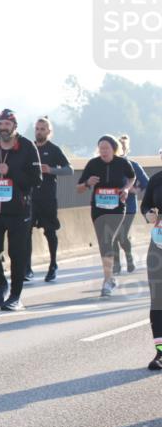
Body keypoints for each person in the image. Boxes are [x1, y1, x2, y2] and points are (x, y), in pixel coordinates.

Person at [0, 109, 42, 311]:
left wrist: (11, 172)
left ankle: (15, 296)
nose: (3, 128)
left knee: (17, 255)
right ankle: (0, 283)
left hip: (18, 210)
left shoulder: (27, 147)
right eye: (0, 124)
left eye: (7, 124)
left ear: (15, 126)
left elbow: (36, 179)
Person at [76, 135, 136, 297]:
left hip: (117, 208)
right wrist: (88, 183)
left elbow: (132, 177)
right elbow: (79, 188)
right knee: (103, 243)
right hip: (98, 209)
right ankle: (110, 278)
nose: (103, 151)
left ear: (113, 149)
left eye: (106, 148)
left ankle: (107, 280)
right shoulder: (93, 164)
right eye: (101, 148)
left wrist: (125, 189)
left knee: (107, 239)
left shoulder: (122, 163)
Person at [28, 116, 73, 282]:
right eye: (37, 129)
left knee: (50, 232)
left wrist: (51, 170)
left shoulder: (54, 149)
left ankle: (53, 264)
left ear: (49, 132)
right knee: (26, 232)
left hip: (47, 197)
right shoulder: (29, 148)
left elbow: (69, 170)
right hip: (30, 198)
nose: (39, 132)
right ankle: (27, 268)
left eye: (43, 129)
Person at [112, 134, 150, 274]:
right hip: (110, 207)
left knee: (121, 236)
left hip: (129, 207)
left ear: (125, 150)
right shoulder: (107, 166)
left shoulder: (133, 165)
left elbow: (147, 183)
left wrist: (134, 189)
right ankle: (116, 264)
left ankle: (128, 258)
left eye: (120, 148)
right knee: (112, 236)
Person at [141, 169, 162, 370]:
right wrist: (148, 214)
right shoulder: (157, 179)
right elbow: (145, 205)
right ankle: (161, 352)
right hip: (159, 244)